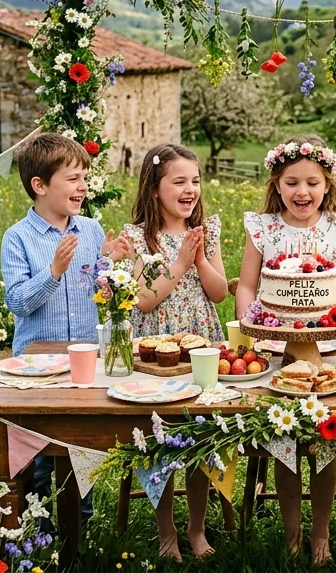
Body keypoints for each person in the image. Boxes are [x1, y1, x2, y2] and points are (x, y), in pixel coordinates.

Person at [235, 134, 336, 565]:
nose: (301, 192)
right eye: (291, 182)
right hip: (273, 345)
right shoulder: (264, 227)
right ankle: (292, 533)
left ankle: (321, 532)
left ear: (327, 184)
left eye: (311, 182)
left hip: (326, 348)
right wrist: (251, 323)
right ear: (276, 183)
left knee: (324, 442)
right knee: (284, 442)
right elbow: (249, 284)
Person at [0, 133, 131, 530]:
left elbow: (95, 288)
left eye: (85, 177)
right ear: (40, 186)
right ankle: (40, 530)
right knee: (39, 451)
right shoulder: (18, 238)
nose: (83, 186)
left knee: (81, 444)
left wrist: (109, 263)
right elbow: (19, 301)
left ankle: (80, 529)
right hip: (37, 365)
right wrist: (53, 271)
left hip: (84, 358)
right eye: (73, 178)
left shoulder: (90, 229)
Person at [123, 143, 227, 561]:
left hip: (201, 342)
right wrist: (179, 264)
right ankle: (166, 530)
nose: (190, 190)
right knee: (161, 436)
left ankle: (197, 528)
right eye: (179, 181)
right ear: (154, 189)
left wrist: (199, 259)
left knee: (203, 434)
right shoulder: (138, 236)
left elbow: (219, 293)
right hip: (156, 345)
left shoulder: (206, 231)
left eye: (195, 181)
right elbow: (143, 300)